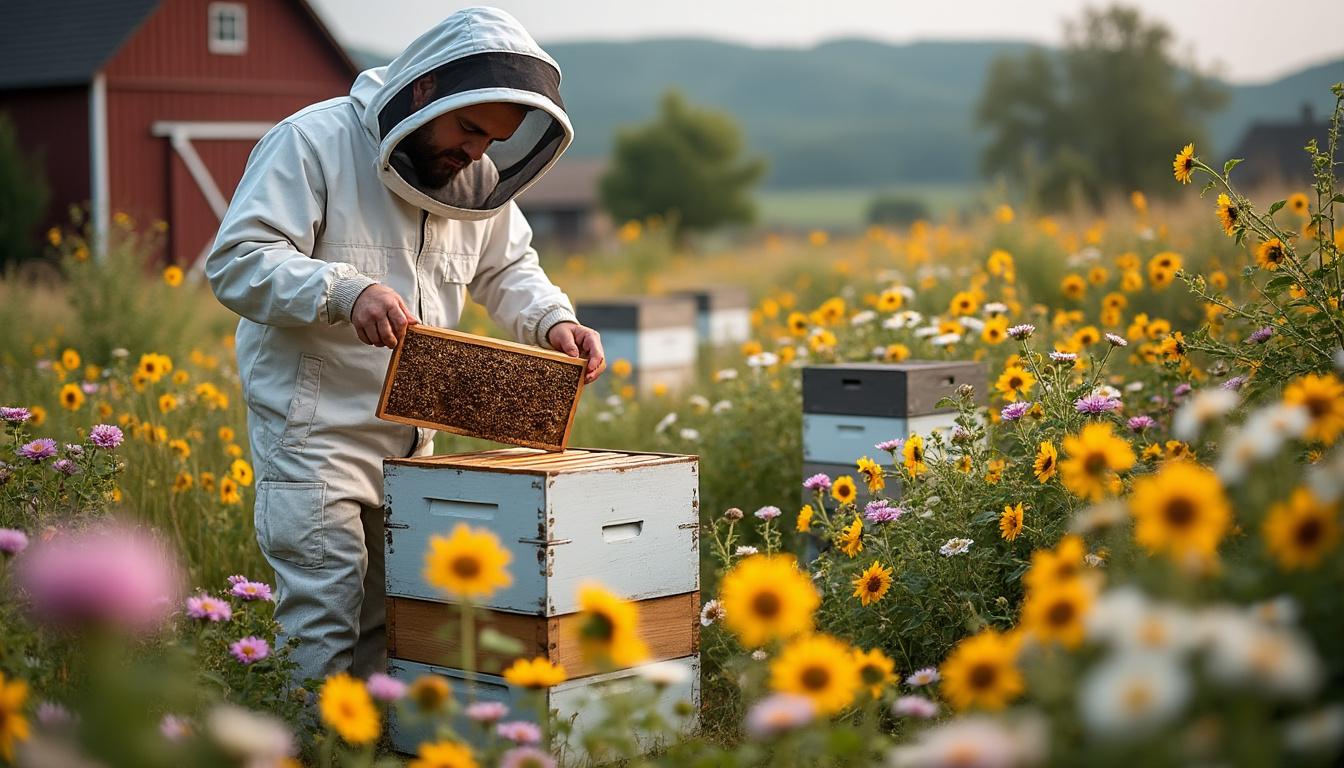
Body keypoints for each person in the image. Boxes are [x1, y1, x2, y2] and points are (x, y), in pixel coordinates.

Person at [205, 6, 605, 684]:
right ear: (424, 91)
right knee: (323, 620)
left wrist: (552, 322)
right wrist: (344, 291)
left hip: (414, 443)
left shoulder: (473, 180)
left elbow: (509, 268)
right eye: (469, 128)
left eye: (493, 139)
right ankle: (306, 738)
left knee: (394, 624)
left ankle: (367, 737)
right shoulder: (312, 143)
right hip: (315, 438)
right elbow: (239, 261)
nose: (476, 150)